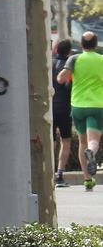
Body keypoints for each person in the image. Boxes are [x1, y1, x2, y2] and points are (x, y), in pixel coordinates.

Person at [57, 30, 103, 190]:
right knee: (93, 141)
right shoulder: (101, 60)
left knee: (82, 142)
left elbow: (61, 78)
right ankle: (92, 152)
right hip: (97, 105)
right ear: (96, 45)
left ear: (82, 44)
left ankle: (87, 179)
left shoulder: (74, 59)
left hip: (77, 106)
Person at [52, 39, 73, 187]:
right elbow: (68, 87)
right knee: (65, 141)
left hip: (49, 107)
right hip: (65, 107)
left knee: (50, 142)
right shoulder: (70, 66)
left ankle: (48, 172)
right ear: (69, 52)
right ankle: (59, 174)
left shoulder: (49, 64)